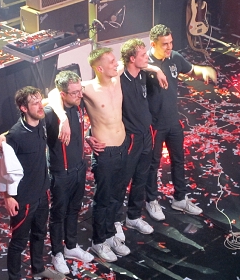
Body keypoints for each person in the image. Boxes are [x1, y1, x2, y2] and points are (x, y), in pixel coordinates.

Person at [48, 47, 131, 263]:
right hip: (106, 152)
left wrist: (156, 70)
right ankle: (98, 240)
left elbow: (141, 60)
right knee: (103, 199)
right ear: (99, 68)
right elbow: (53, 93)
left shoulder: (117, 76)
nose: (116, 63)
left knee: (117, 195)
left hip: (123, 147)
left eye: (115, 60)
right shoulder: (87, 89)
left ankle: (110, 234)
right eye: (111, 61)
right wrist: (63, 119)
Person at [145, 24, 217, 221]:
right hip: (154, 124)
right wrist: (153, 68)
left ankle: (180, 198)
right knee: (153, 164)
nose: (169, 47)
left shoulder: (174, 57)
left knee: (179, 160)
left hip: (173, 121)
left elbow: (191, 69)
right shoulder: (144, 62)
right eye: (164, 44)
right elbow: (127, 66)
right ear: (153, 44)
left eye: (171, 43)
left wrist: (203, 71)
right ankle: (151, 200)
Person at [0, 86, 64, 280]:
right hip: (24, 198)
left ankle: (38, 269)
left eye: (39, 100)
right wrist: (8, 196)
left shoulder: (42, 123)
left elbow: (55, 97)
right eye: (34, 103)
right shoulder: (15, 136)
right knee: (18, 242)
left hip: (42, 193)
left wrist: (65, 120)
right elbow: (3, 167)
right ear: (23, 108)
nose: (39, 105)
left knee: (39, 233)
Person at [92, 39, 156, 239]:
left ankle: (134, 216)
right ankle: (116, 221)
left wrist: (158, 70)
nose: (147, 57)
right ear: (131, 58)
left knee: (141, 179)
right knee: (121, 182)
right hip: (130, 139)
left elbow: (147, 66)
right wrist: (89, 135)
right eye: (143, 55)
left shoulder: (143, 75)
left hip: (147, 134)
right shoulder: (118, 79)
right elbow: (101, 109)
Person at [46, 71, 94, 274]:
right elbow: (48, 95)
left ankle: (71, 246)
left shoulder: (77, 106)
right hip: (60, 173)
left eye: (79, 90)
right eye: (74, 92)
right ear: (62, 94)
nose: (79, 95)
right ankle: (57, 252)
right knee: (58, 214)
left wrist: (88, 140)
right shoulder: (50, 113)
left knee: (74, 209)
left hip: (78, 168)